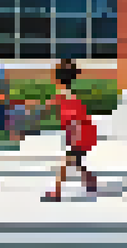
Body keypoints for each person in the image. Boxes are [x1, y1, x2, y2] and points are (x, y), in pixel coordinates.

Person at [42, 59, 98, 202]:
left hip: (79, 133)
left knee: (66, 161)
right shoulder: (66, 94)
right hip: (82, 131)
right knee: (77, 161)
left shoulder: (63, 95)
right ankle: (90, 181)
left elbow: (71, 116)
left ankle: (57, 191)